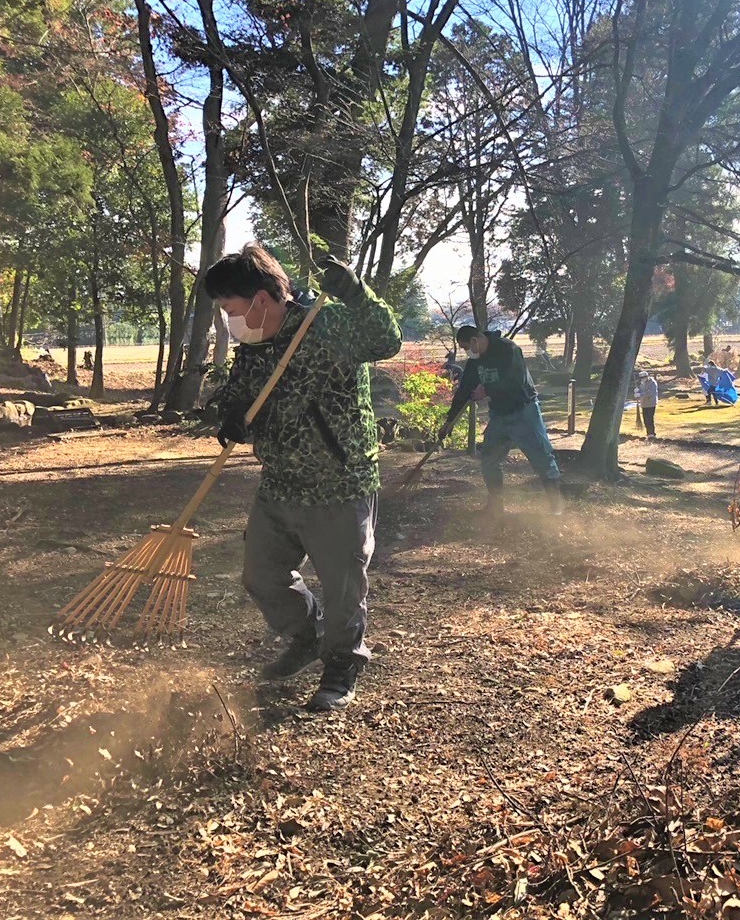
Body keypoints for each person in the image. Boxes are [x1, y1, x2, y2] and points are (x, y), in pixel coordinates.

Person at [209, 243, 402, 712]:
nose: (229, 320)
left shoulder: (327, 323)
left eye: (230, 309)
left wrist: (356, 292)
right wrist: (232, 411)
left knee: (342, 586)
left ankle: (342, 664)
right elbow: (241, 388)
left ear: (260, 298)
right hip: (280, 481)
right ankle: (307, 636)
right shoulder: (255, 343)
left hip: (339, 482)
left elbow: (385, 340)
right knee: (261, 574)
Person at [437, 325, 564, 515]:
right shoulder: (475, 362)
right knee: (489, 460)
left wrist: (486, 390)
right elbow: (464, 392)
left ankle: (556, 506)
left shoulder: (508, 350)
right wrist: (449, 421)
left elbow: (516, 380)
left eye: (466, 347)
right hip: (499, 415)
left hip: (524, 411)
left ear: (475, 341)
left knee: (542, 458)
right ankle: (496, 505)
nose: (466, 352)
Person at [634, 369, 659, 438]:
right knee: (645, 419)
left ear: (647, 376)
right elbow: (642, 391)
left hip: (651, 403)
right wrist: (637, 391)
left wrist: (640, 394)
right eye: (641, 378)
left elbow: (650, 393)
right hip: (644, 404)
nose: (642, 379)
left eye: (643, 377)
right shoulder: (642, 383)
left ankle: (652, 433)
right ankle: (648, 433)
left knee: (649, 418)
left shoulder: (652, 383)